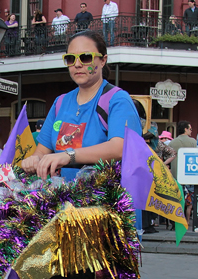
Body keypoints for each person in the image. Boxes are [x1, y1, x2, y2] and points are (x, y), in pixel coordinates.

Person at [20, 31, 142, 179]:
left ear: (103, 60)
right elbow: (42, 150)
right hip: (62, 198)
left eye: (85, 57)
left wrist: (68, 156)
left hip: (104, 199)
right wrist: (35, 159)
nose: (77, 64)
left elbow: (120, 147)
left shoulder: (118, 99)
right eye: (71, 59)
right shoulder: (60, 102)